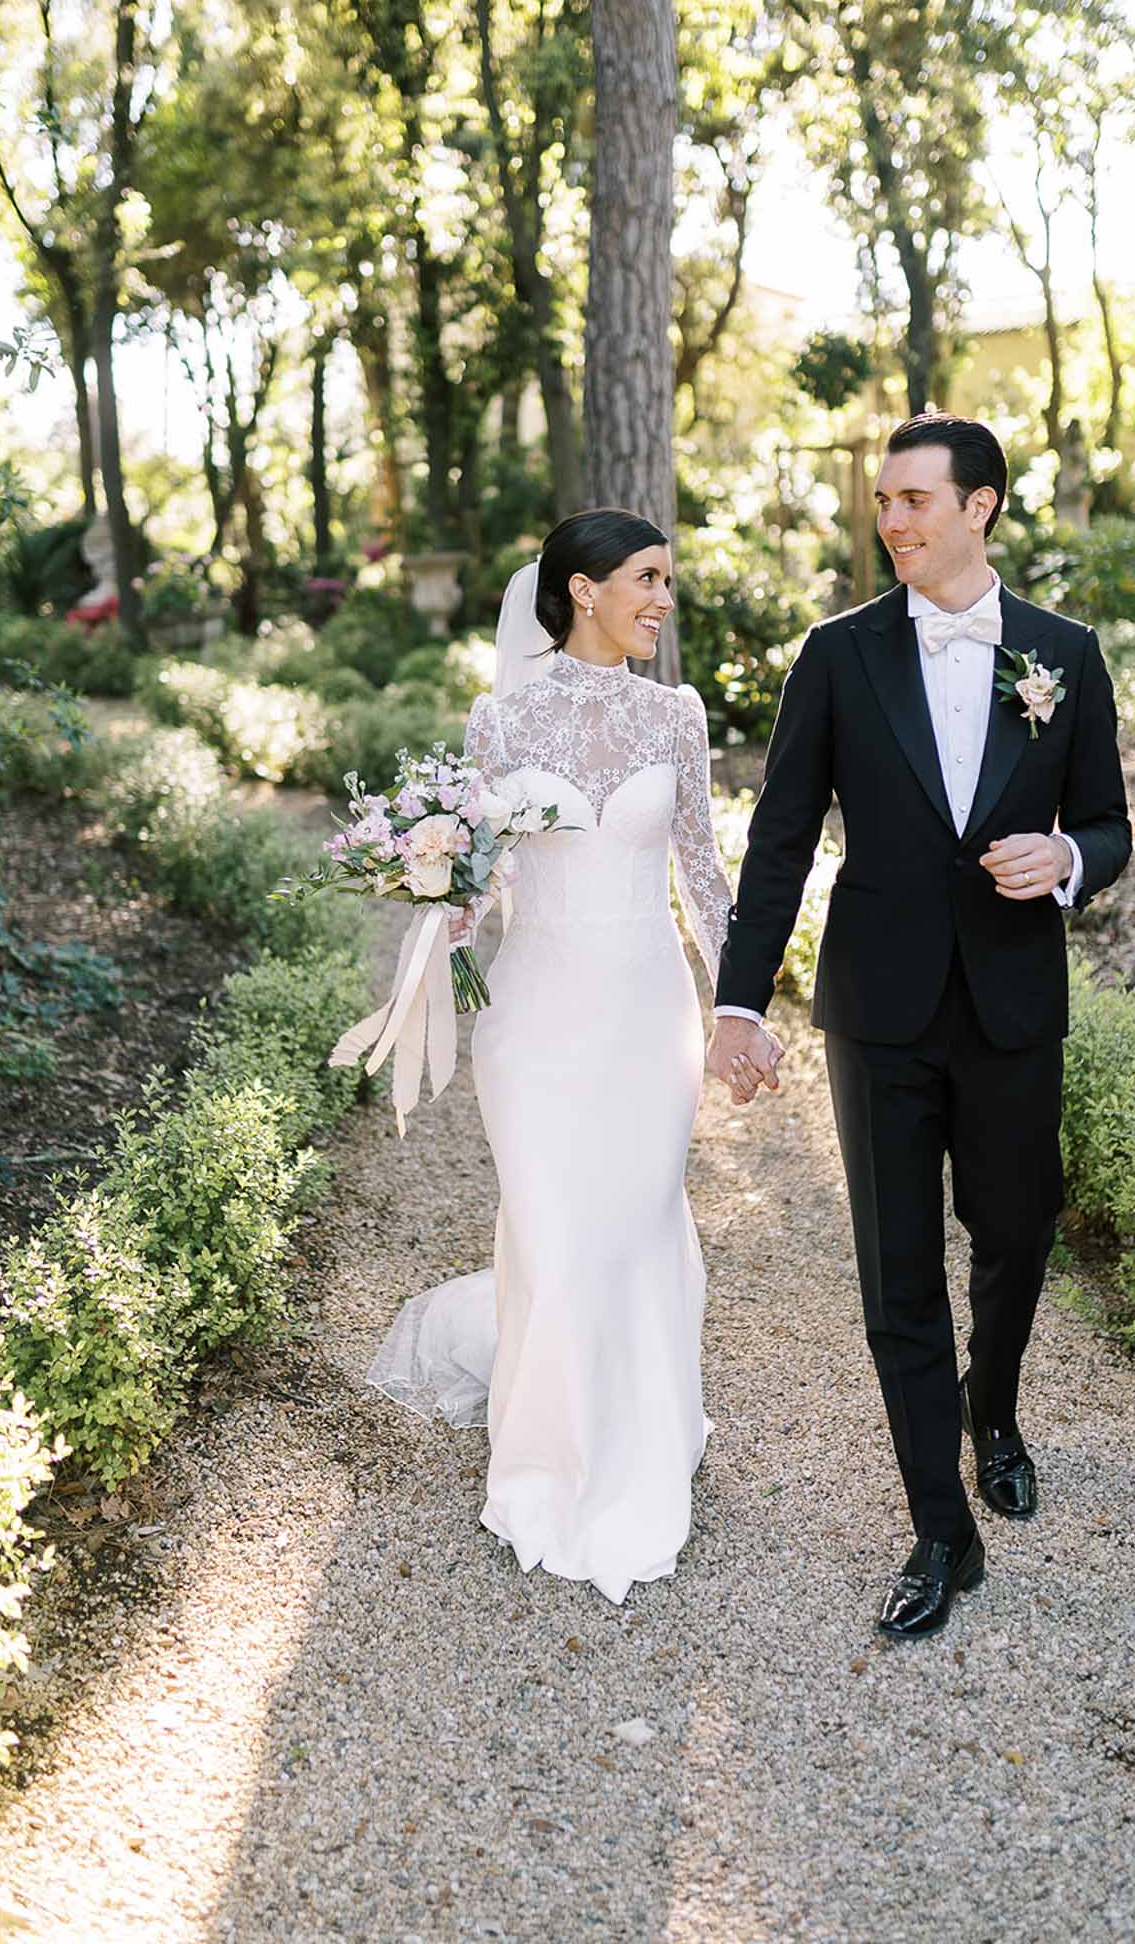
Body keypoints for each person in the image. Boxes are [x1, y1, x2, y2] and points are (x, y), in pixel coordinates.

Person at [708, 414, 1132, 1641]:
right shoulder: (835, 654)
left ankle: (990, 1406)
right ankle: (940, 1528)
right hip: (877, 1006)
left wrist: (1063, 856)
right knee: (897, 1272)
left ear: (980, 505)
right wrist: (739, 1000)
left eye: (912, 500)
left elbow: (1106, 824)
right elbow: (781, 836)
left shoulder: (1064, 652)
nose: (890, 521)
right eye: (882, 502)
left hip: (1009, 1000)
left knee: (1016, 1226)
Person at [366, 509, 780, 1606]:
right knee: (551, 1233)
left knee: (633, 1224)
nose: (662, 600)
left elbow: (702, 875)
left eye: (665, 581)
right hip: (535, 1018)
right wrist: (430, 906)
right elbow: (482, 877)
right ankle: (545, 1461)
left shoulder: (676, 715)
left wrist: (745, 1006)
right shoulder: (499, 719)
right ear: (581, 588)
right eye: (645, 579)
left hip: (649, 1017)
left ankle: (641, 1442)